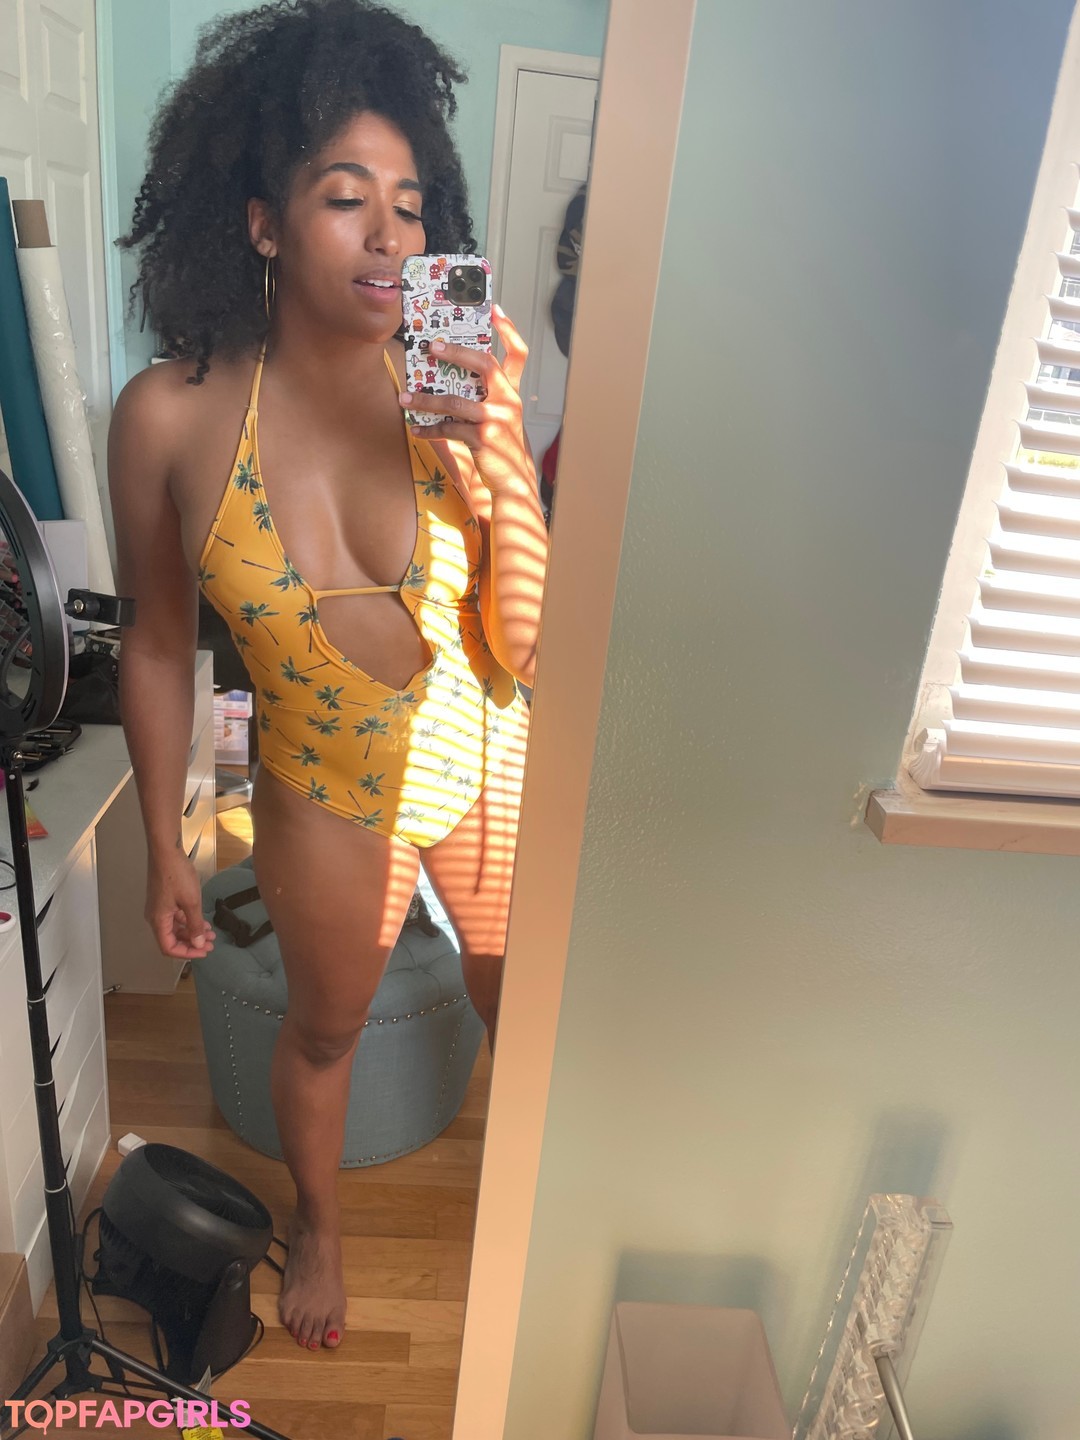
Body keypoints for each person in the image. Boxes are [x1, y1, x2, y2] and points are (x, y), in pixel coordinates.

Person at [108, 0, 548, 1357]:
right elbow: (156, 639)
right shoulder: (170, 417)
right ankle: (320, 1225)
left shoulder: (455, 378)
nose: (388, 236)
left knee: (524, 998)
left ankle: (541, 1201)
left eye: (410, 208)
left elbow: (530, 638)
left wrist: (496, 458)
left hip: (482, 738)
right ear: (261, 223)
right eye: (347, 198)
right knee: (323, 1031)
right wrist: (171, 842)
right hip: (321, 780)